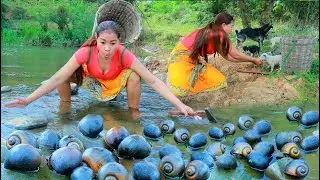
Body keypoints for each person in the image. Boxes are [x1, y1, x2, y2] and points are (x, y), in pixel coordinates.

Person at [4, 20, 197, 117]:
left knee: (135, 76)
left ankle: (133, 114)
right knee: (64, 75)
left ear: (119, 42)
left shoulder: (124, 54)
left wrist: (181, 106)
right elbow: (55, 78)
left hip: (115, 83)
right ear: (96, 40)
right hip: (92, 81)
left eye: (113, 43)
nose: (107, 48)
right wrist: (28, 100)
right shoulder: (85, 53)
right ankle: (65, 109)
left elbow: (153, 80)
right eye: (103, 42)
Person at [167, 12, 263, 97]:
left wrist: (251, 60)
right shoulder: (220, 35)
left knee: (213, 80)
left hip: (177, 55)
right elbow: (235, 55)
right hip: (183, 59)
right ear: (224, 25)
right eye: (231, 26)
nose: (231, 29)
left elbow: (229, 57)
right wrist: (254, 60)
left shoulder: (211, 31)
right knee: (217, 81)